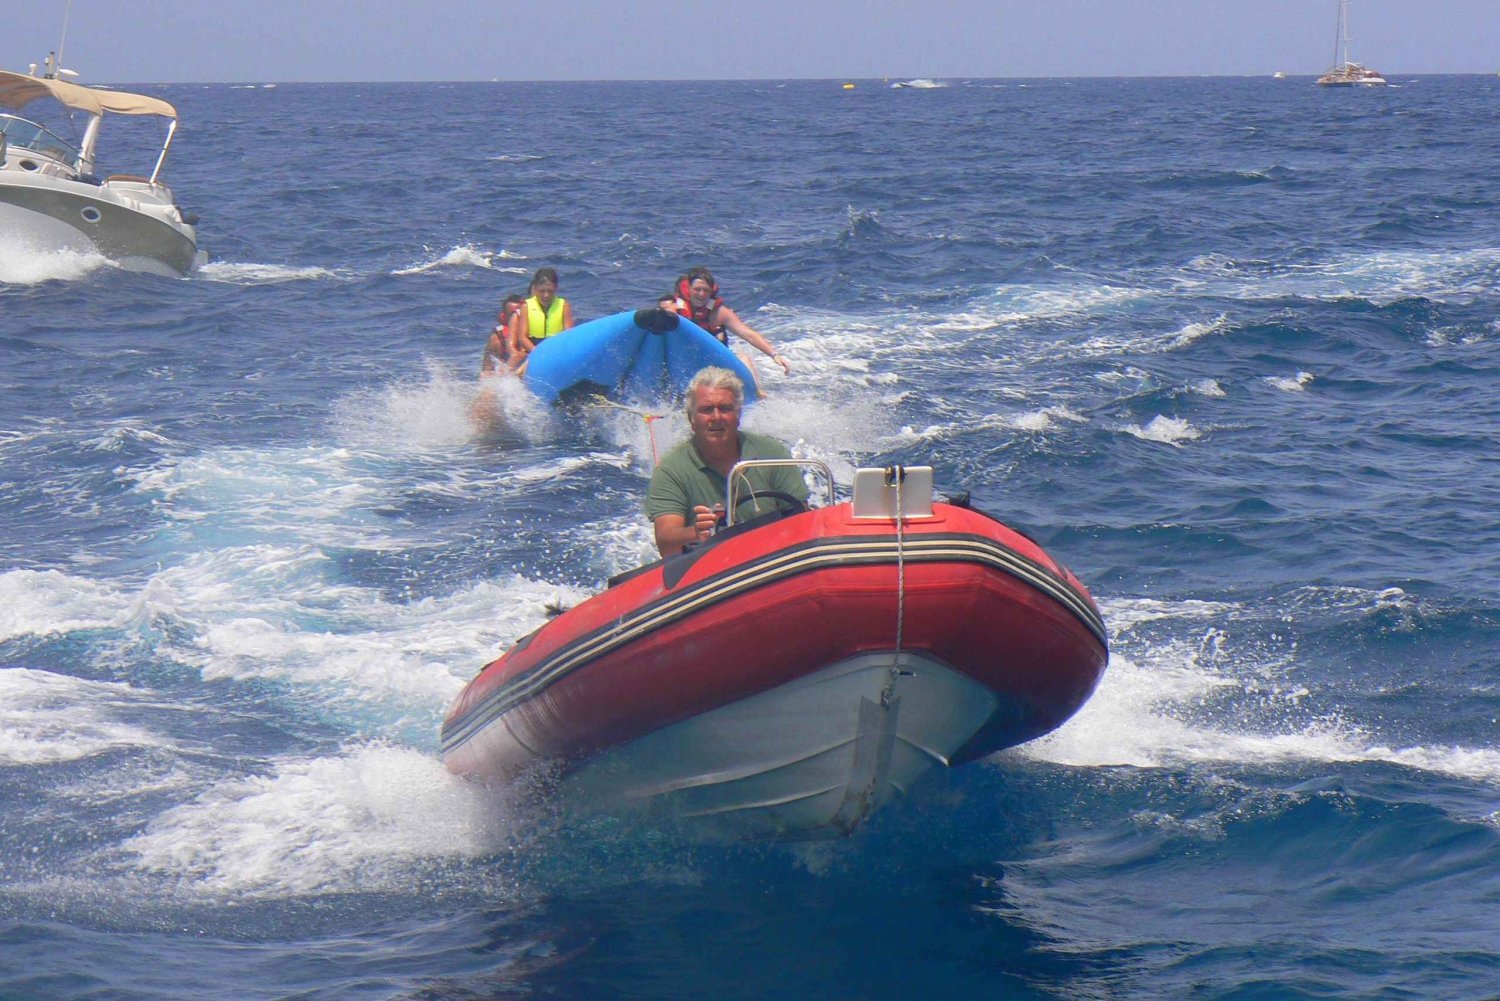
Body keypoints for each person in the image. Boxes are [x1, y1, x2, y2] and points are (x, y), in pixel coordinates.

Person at [645, 366, 809, 558]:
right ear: (691, 419)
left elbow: (802, 519)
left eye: (725, 409)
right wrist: (697, 532)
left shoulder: (772, 452)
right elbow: (665, 542)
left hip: (772, 558)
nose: (716, 417)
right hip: (709, 566)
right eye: (706, 410)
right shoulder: (671, 469)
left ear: (738, 416)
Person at [670, 266, 792, 375]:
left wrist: (774, 355)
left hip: (713, 364)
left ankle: (757, 391)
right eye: (697, 289)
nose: (701, 294)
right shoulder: (674, 309)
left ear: (711, 292)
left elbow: (748, 334)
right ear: (689, 289)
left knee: (744, 359)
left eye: (706, 290)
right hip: (684, 363)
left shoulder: (720, 313)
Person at [511, 267, 575, 365]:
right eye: (542, 291)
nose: (546, 295)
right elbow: (522, 337)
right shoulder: (526, 307)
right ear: (535, 288)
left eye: (550, 291)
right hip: (533, 349)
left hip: (555, 349)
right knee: (517, 359)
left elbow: (568, 334)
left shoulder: (564, 305)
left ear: (556, 288)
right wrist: (537, 353)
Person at [479, 294, 526, 374]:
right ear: (503, 317)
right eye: (512, 315)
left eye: (521, 314)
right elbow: (487, 371)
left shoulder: (537, 331)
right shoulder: (498, 339)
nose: (517, 318)